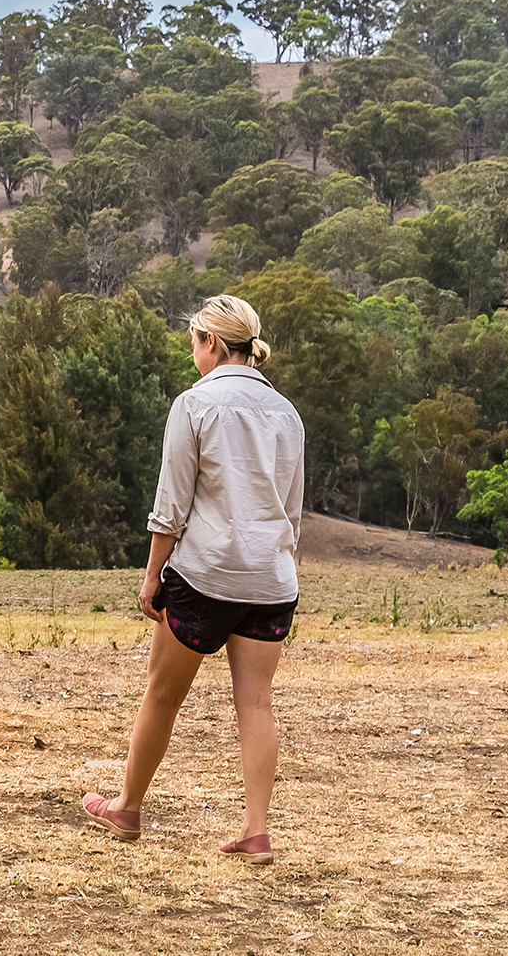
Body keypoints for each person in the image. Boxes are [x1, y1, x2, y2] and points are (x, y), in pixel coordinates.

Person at [80, 294, 304, 865]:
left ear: (210, 343)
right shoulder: (287, 413)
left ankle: (127, 807)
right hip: (272, 579)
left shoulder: (194, 404)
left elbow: (171, 504)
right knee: (256, 703)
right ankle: (257, 831)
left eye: (194, 342)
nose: (192, 352)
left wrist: (152, 575)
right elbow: (292, 510)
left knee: (162, 694)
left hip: (206, 574)